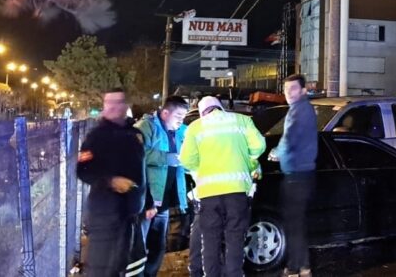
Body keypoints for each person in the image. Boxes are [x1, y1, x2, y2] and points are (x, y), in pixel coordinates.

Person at [180, 96, 266, 277]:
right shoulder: (242, 120)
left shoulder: (196, 127)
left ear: (202, 112)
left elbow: (186, 160)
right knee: (235, 238)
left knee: (210, 241)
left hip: (209, 195)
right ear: (220, 108)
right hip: (237, 192)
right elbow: (259, 146)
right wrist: (249, 162)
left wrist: (200, 168)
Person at [77, 88, 150, 276]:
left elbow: (142, 171)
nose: (113, 107)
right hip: (105, 212)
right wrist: (110, 181)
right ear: (103, 106)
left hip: (130, 214)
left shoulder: (135, 135)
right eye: (109, 103)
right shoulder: (95, 137)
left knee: (121, 265)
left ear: (126, 106)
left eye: (118, 102)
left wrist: (147, 201)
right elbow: (84, 171)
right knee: (100, 268)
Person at [135, 96, 190, 277]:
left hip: (165, 200)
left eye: (184, 116)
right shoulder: (146, 127)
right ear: (165, 113)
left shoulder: (182, 131)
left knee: (158, 245)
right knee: (140, 244)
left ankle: (150, 274)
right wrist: (166, 157)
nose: (181, 120)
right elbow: (137, 153)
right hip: (147, 199)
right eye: (178, 116)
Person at [269, 74, 317, 277]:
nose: (288, 93)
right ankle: (301, 267)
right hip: (302, 173)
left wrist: (275, 153)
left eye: (293, 89)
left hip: (297, 174)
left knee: (293, 224)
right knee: (296, 223)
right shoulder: (304, 108)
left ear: (303, 90)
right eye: (286, 89)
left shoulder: (298, 110)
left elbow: (289, 138)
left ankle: (296, 268)